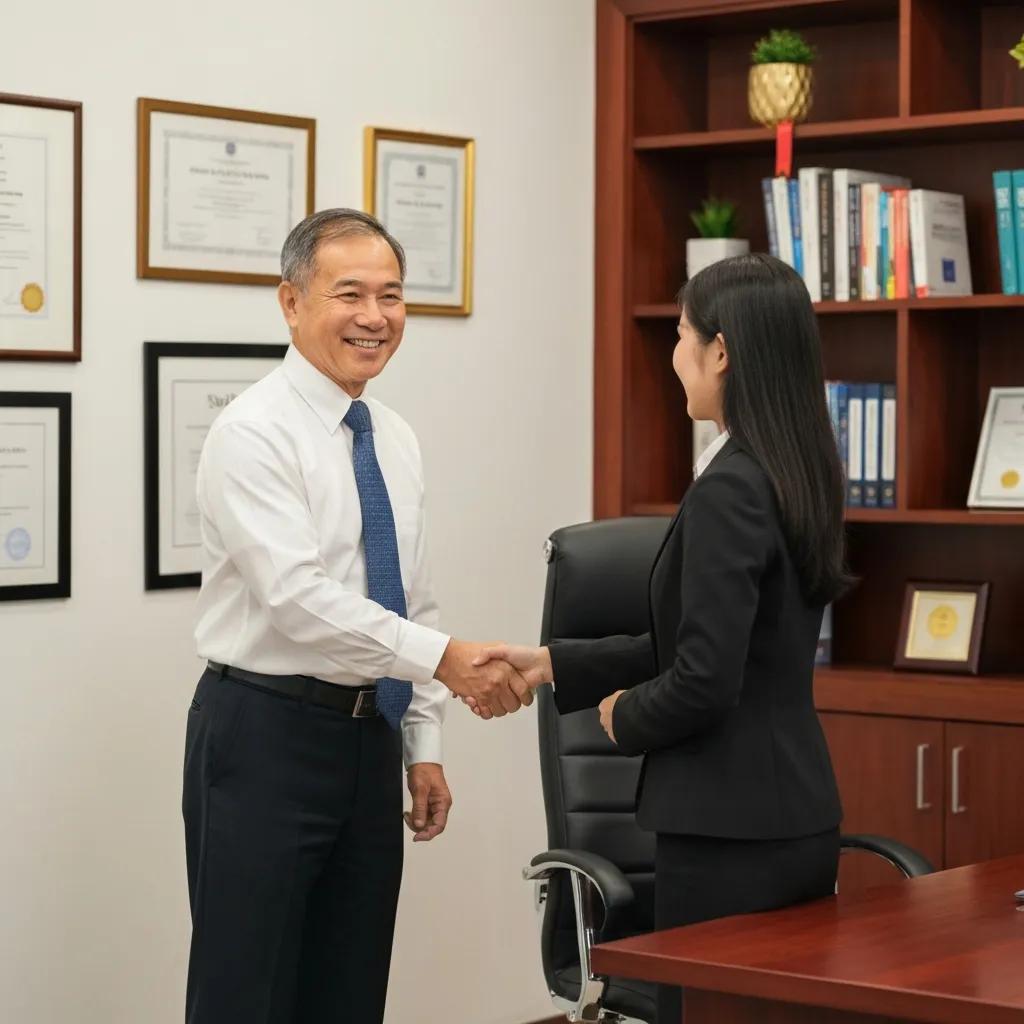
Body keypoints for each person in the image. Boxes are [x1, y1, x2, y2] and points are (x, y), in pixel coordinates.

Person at [473, 253, 847, 1023]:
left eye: (680, 336)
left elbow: (704, 677)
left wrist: (624, 718)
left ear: (720, 351)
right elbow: (710, 642)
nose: (673, 355)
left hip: (724, 832)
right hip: (793, 818)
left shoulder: (731, 487)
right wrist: (552, 664)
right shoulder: (797, 470)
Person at [183, 208, 530, 1024]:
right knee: (248, 993)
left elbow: (409, 594)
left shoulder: (392, 436)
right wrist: (444, 658)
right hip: (263, 736)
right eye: (350, 294)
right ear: (291, 302)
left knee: (349, 990)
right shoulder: (253, 433)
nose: (375, 317)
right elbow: (299, 602)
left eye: (392, 295)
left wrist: (424, 742)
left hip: (369, 735)